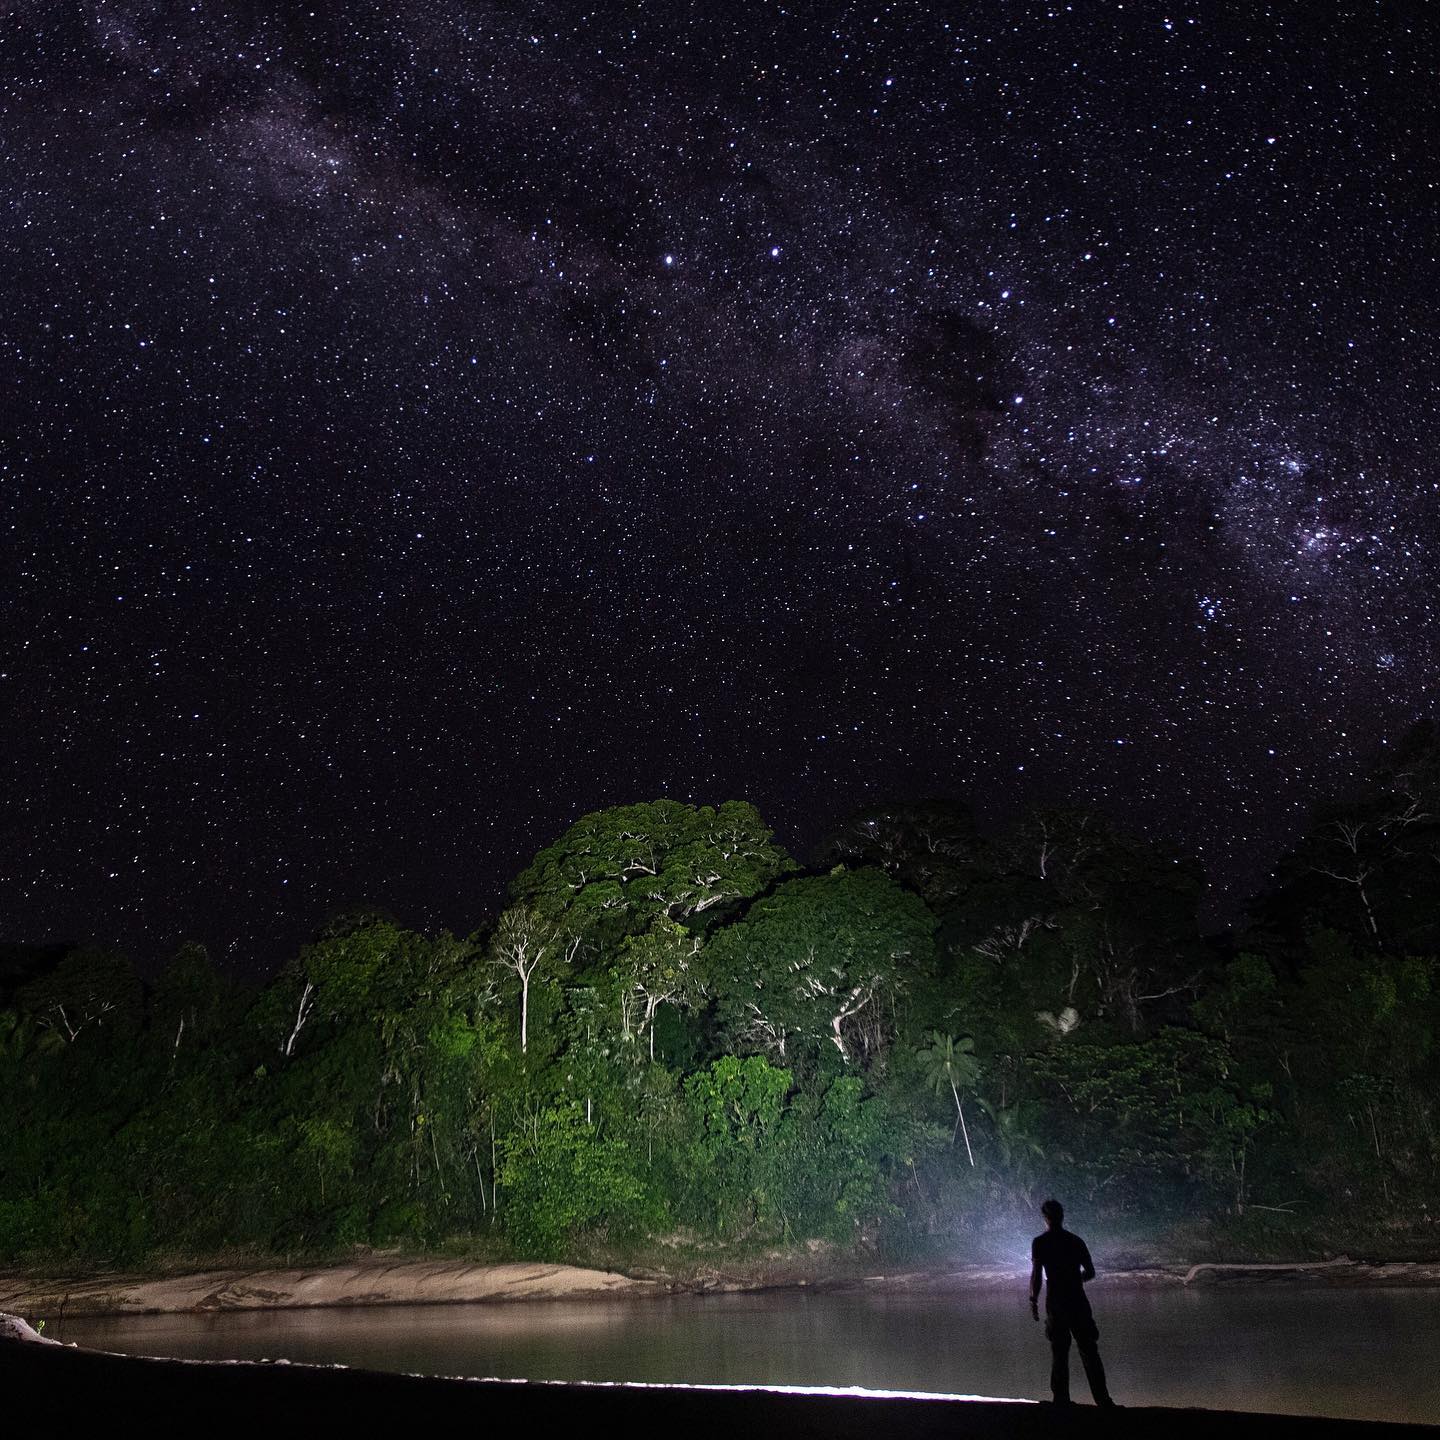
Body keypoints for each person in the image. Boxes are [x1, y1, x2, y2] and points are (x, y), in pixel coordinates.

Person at [1029, 1198, 1117, 1408]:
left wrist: (1033, 1300)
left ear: (1045, 1218)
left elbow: (1036, 1276)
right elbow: (1091, 1272)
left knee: (1059, 1351)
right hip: (1077, 1300)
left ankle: (1061, 1400)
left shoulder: (1040, 1243)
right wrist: (1076, 1280)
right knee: (1089, 1349)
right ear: (1062, 1216)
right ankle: (1103, 1400)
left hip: (1056, 1302)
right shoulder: (1075, 1241)